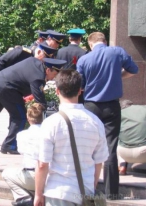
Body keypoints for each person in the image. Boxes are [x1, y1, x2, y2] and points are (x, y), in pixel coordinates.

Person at [76, 31, 138, 200]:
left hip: (90, 107)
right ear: (104, 41)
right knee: (110, 148)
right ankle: (112, 193)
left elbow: (80, 86)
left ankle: (87, 189)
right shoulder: (117, 52)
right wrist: (118, 76)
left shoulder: (84, 59)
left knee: (88, 147)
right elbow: (134, 70)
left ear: (90, 44)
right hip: (112, 106)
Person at [35, 69, 109, 206]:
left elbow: (42, 164)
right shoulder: (95, 122)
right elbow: (99, 161)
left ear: (57, 91)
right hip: (85, 192)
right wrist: (90, 187)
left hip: (58, 191)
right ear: (80, 90)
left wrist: (38, 194)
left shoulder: (51, 123)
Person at [0, 57, 66, 154]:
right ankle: (10, 145)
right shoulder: (38, 77)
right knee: (20, 117)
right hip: (7, 88)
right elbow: (40, 101)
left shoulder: (35, 62)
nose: (54, 78)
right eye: (54, 74)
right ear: (48, 70)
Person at [0, 43, 57, 130]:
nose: (44, 62)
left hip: (7, 88)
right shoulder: (22, 52)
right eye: (45, 58)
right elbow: (1, 61)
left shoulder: (35, 62)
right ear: (39, 52)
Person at [2, 103, 44, 206]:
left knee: (6, 173)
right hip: (48, 177)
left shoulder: (21, 135)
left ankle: (23, 197)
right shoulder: (49, 133)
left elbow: (21, 151)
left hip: (31, 175)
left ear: (28, 117)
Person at [117, 100, 146, 175]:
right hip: (143, 152)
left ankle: (122, 167)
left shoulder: (119, 114)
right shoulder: (142, 109)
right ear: (131, 105)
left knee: (117, 139)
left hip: (123, 153)